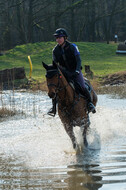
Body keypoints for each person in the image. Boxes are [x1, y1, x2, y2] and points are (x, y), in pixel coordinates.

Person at [48, 28, 96, 116]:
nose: (58, 40)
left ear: (65, 38)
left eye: (59, 37)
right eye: (57, 38)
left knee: (82, 86)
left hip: (75, 71)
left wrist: (77, 70)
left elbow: (78, 60)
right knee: (56, 89)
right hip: (64, 73)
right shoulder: (55, 50)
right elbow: (55, 64)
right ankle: (54, 108)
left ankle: (89, 104)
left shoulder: (72, 47)